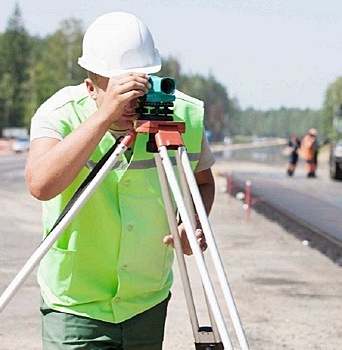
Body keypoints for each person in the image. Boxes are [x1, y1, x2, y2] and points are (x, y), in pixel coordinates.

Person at [25, 12, 215, 350]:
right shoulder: (59, 114)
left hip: (146, 298)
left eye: (138, 83)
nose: (132, 100)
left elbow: (202, 182)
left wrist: (193, 220)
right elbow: (41, 184)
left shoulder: (180, 115)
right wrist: (104, 116)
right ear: (90, 87)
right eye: (118, 86)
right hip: (76, 303)